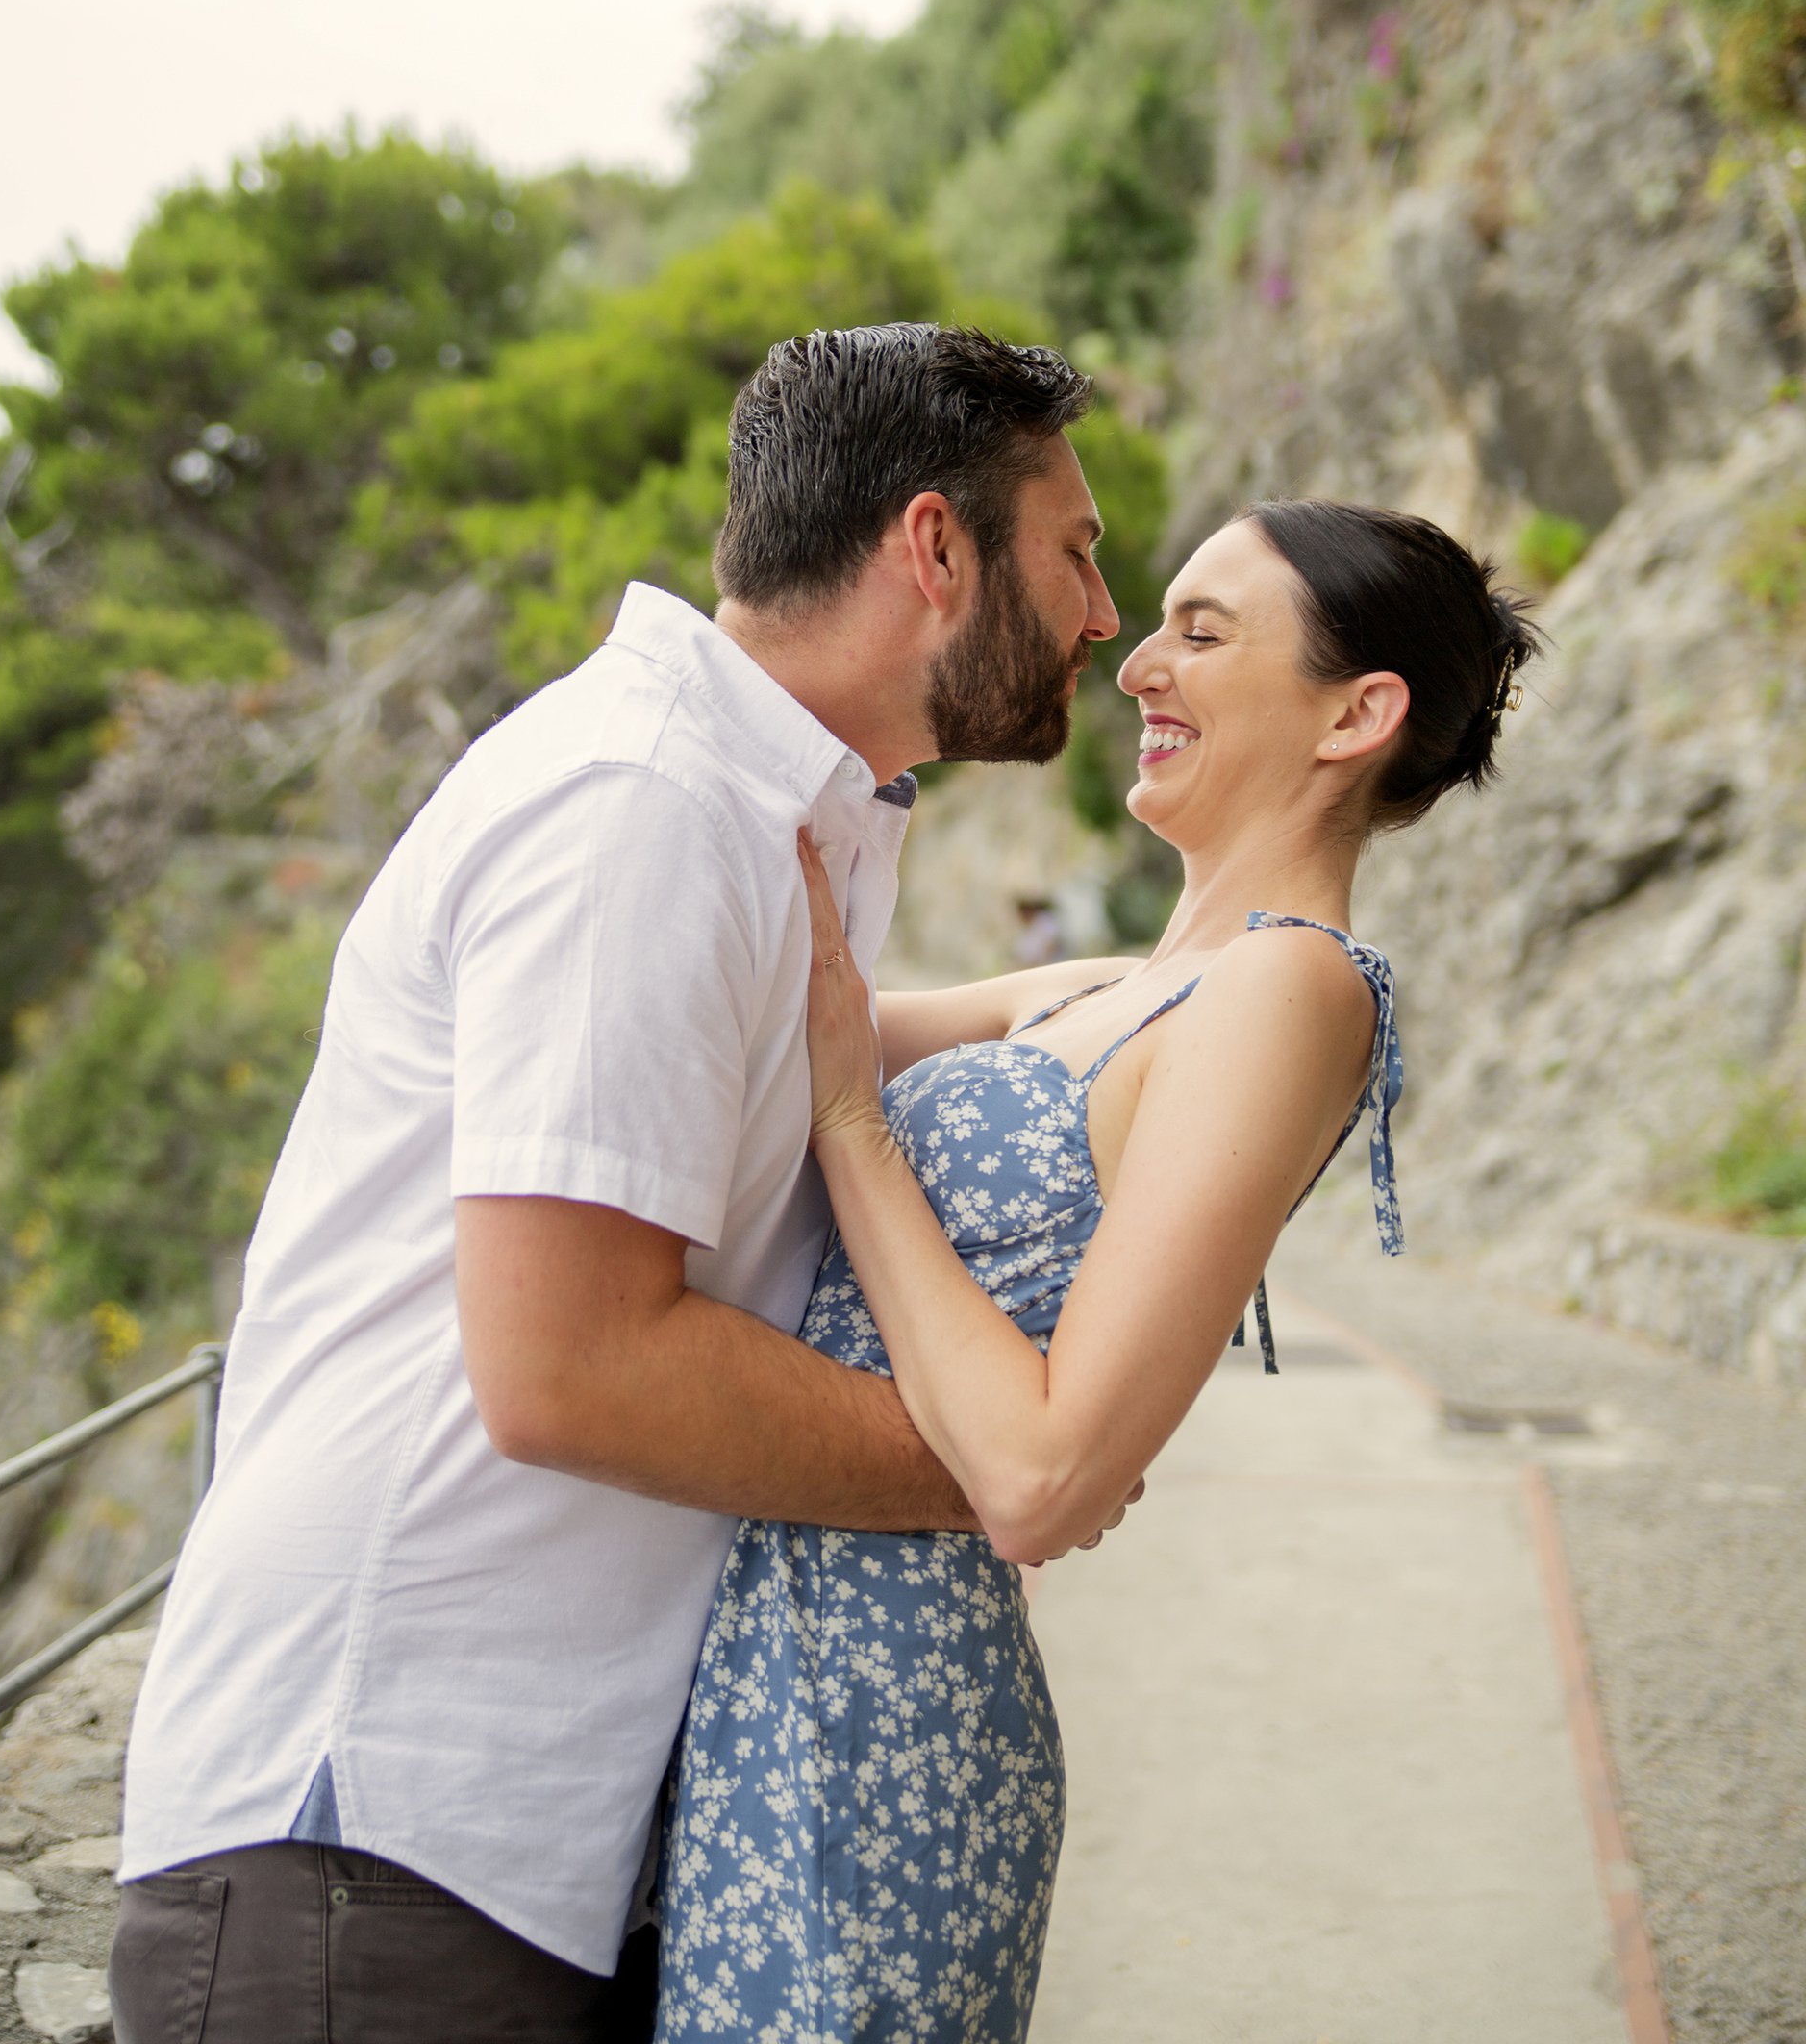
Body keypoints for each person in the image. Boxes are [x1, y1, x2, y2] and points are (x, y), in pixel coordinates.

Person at [108, 323, 1127, 2044]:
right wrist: (1004, 1467)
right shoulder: (641, 806)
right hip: (376, 1841)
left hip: (486, 1849)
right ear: (937, 549)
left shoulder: (749, 802)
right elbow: (571, 1367)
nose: (1102, 613)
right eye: (1077, 551)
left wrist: (1159, 995)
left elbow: (804, 1056)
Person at [656, 497, 1538, 2043]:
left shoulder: (1291, 987)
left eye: (1203, 632)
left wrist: (858, 1124)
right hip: (747, 1657)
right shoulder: (1100, 988)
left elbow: (1044, 1474)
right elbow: (762, 1018)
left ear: (1355, 716)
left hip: (884, 1721)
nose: (1136, 664)